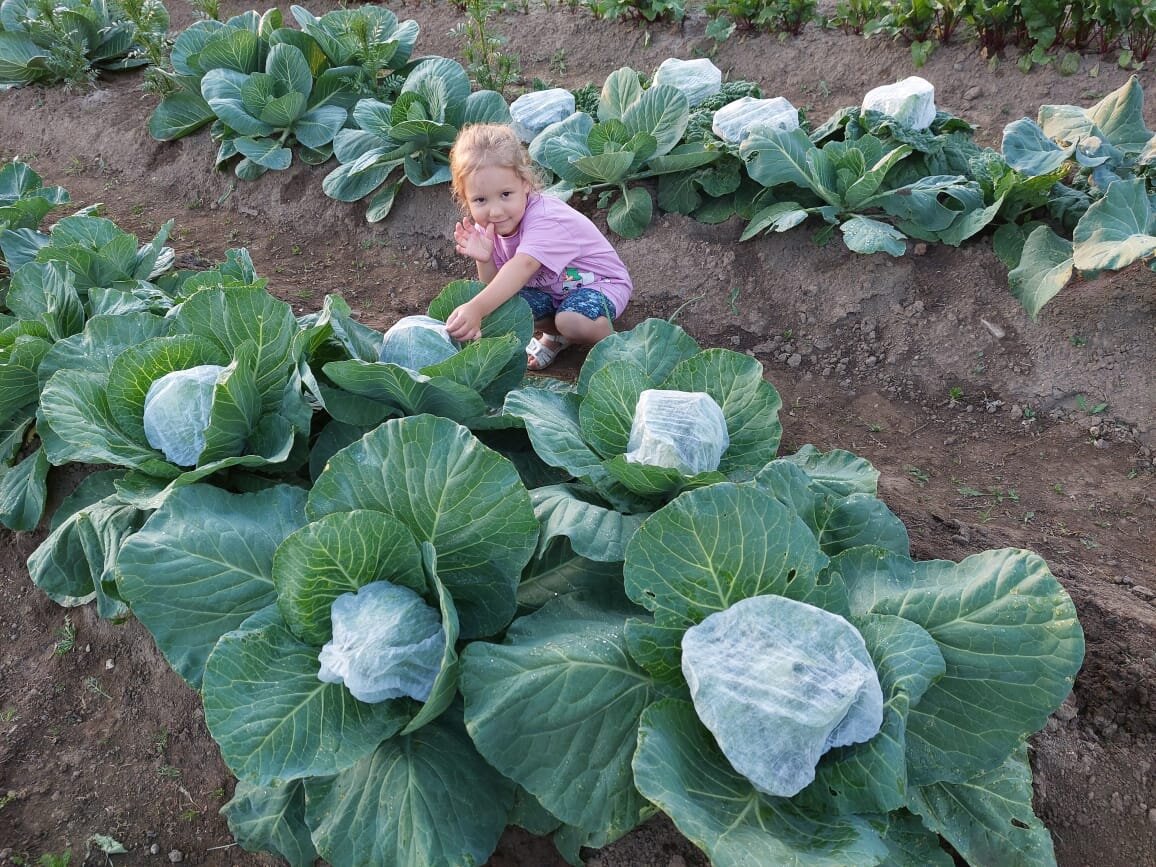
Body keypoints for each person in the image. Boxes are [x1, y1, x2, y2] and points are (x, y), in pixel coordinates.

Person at [445, 123, 633, 370]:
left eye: (505, 194)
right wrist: (485, 258)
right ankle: (557, 337)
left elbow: (523, 266)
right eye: (480, 200)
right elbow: (497, 288)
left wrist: (476, 308)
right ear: (465, 200)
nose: (495, 211)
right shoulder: (488, 229)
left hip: (599, 284)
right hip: (556, 292)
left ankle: (616, 349)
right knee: (510, 308)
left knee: (572, 320)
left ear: (525, 184)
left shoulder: (545, 218)